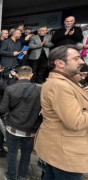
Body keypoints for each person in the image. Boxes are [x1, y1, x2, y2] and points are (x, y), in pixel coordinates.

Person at [34, 45, 88, 180]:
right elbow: (76, 122)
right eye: (76, 58)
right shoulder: (60, 86)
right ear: (59, 63)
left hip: (60, 149)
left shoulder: (66, 82)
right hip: (66, 154)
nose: (82, 61)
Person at [0, 66, 41, 180]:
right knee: (26, 154)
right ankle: (23, 176)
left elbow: (3, 108)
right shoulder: (40, 89)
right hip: (31, 128)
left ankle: (11, 175)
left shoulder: (10, 88)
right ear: (31, 75)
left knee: (12, 153)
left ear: (18, 75)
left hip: (13, 126)